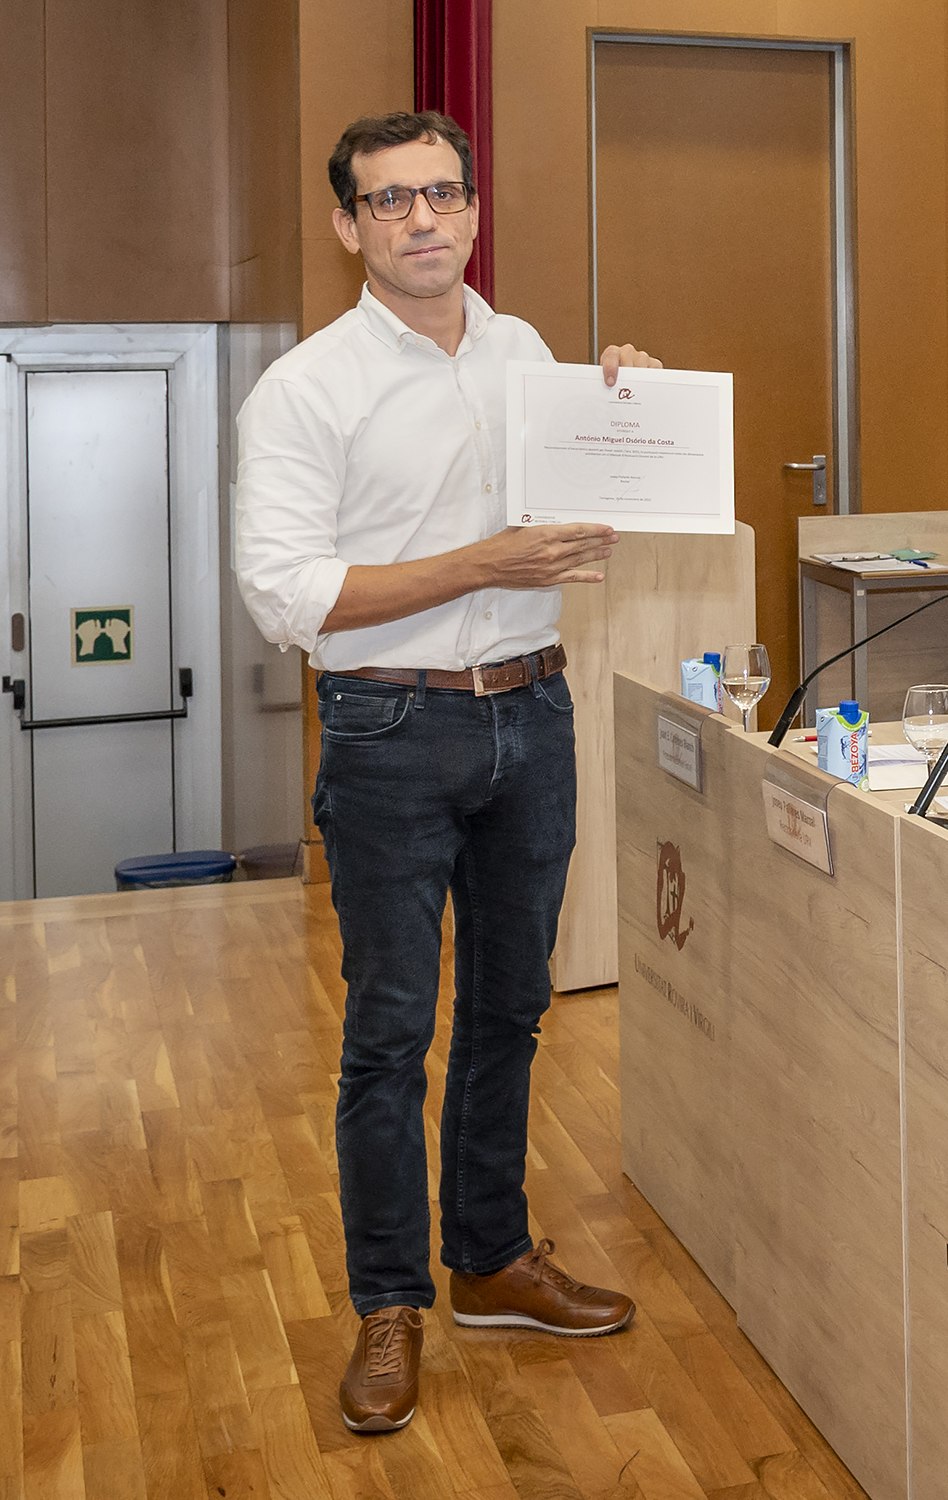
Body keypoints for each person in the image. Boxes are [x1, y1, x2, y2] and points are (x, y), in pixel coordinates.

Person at [234, 110, 654, 1437]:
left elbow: (587, 496)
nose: (423, 218)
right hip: (386, 731)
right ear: (348, 225)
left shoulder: (525, 355)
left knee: (513, 1009)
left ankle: (490, 1258)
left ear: (473, 210)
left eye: (443, 193)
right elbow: (286, 596)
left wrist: (628, 403)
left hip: (533, 714)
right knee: (389, 1033)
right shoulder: (305, 388)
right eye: (390, 199)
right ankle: (388, 1304)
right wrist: (483, 564)